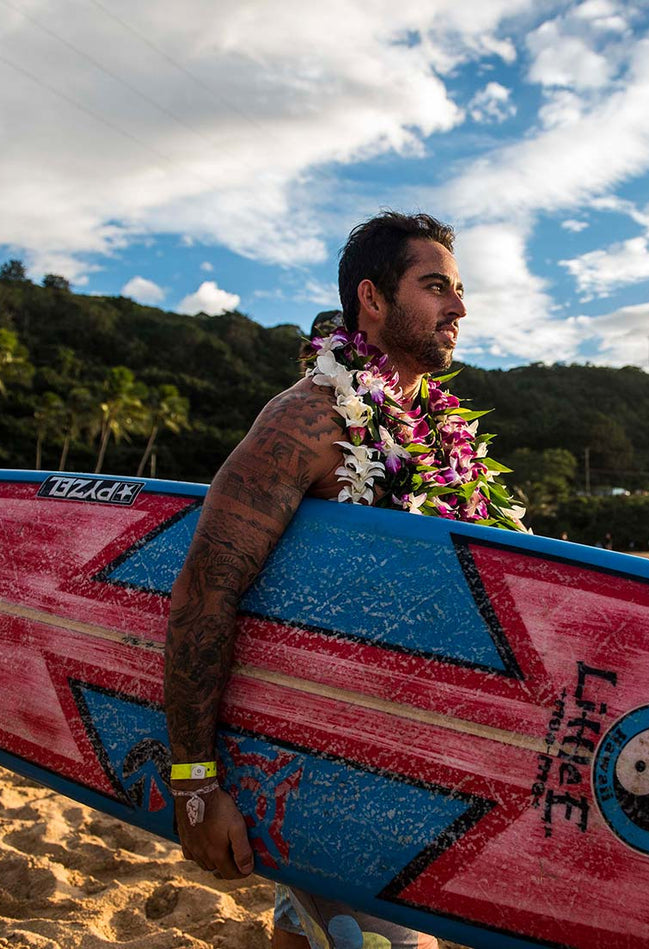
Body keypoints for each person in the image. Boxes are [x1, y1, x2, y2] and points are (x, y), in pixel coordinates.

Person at [163, 212, 525, 949]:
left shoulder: (437, 436)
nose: (459, 308)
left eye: (459, 290)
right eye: (435, 287)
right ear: (372, 297)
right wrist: (196, 783)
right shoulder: (307, 420)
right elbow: (207, 587)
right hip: (330, 771)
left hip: (416, 771)